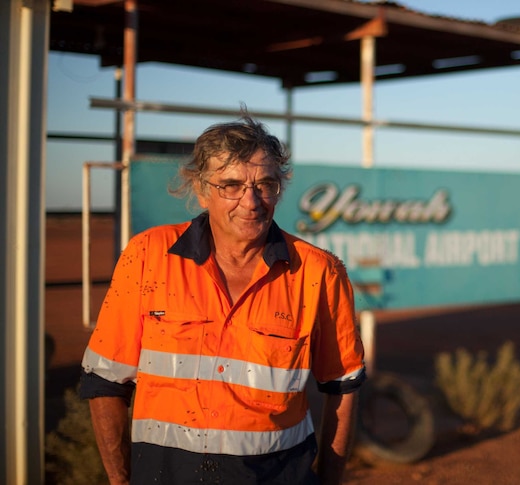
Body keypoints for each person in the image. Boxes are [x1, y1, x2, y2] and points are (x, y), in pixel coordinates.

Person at [80, 112, 366, 485]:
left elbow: (342, 386)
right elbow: (105, 381)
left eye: (265, 184)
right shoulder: (147, 255)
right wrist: (121, 481)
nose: (251, 202)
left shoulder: (319, 273)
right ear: (201, 190)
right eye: (231, 185)